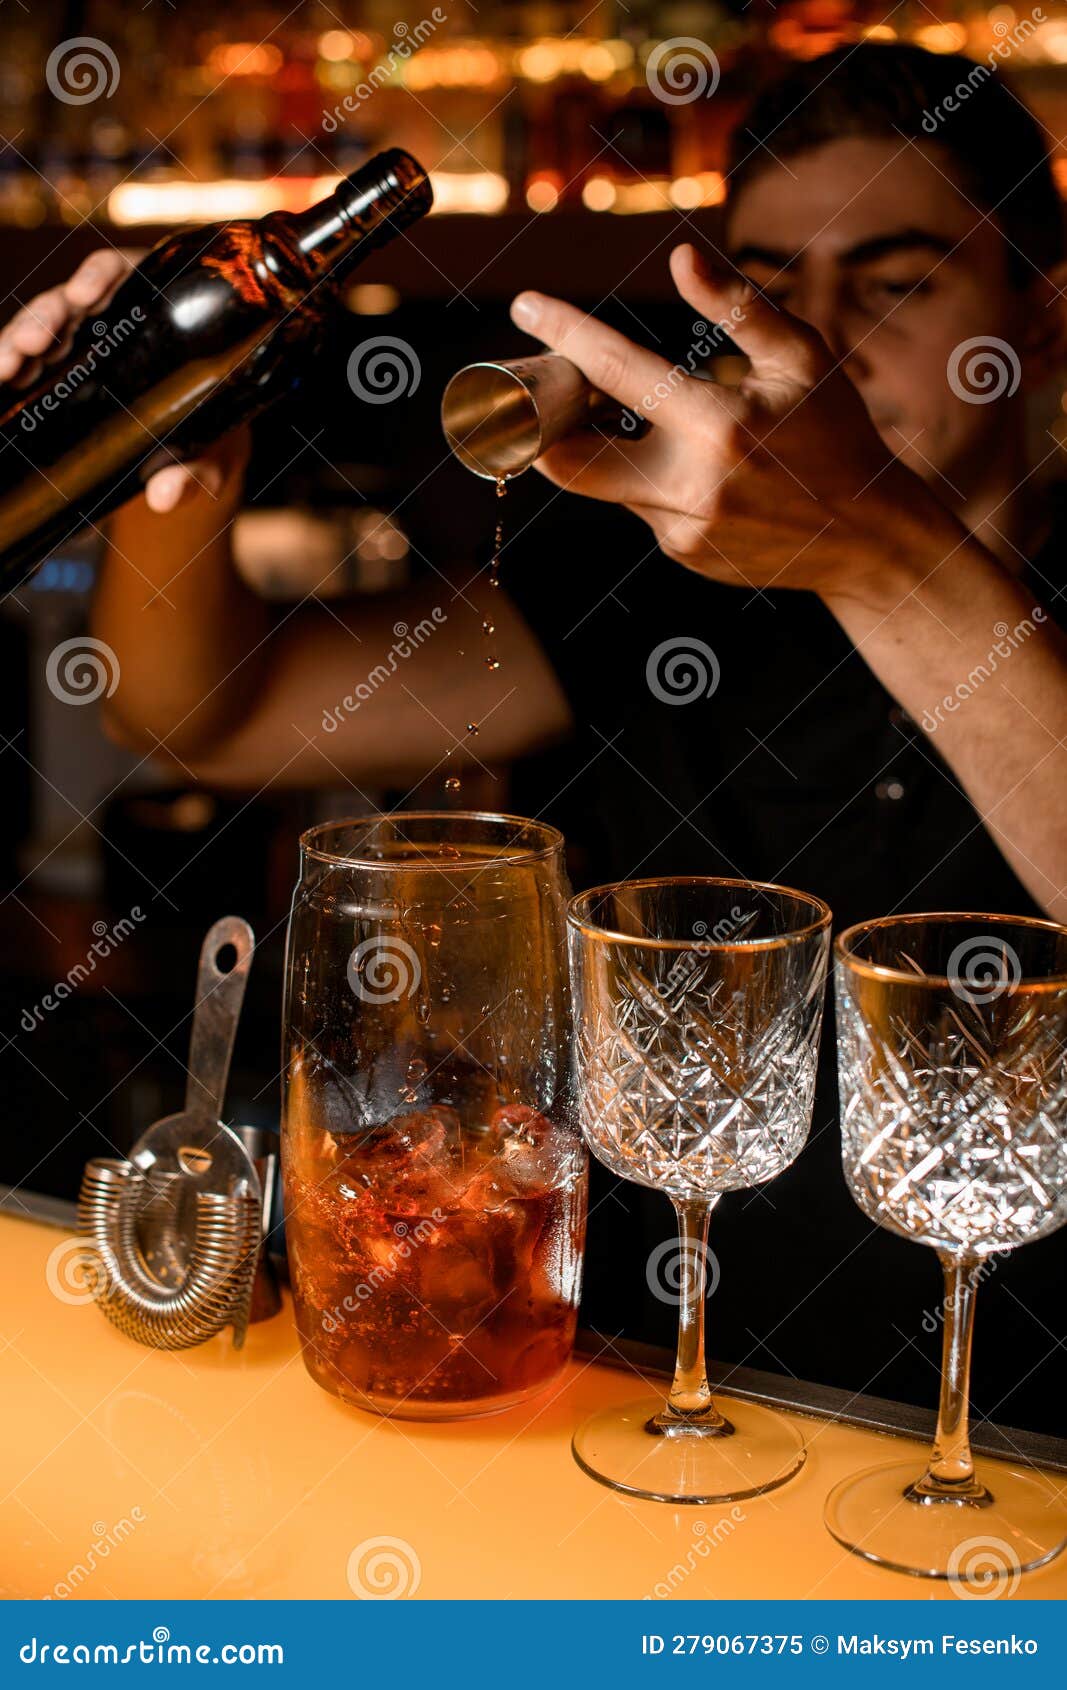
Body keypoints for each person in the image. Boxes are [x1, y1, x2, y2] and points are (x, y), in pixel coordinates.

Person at [3, 43, 1065, 1431]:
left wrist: (882, 556)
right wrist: (181, 439)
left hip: (1009, 1453)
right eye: (763, 290)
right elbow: (207, 710)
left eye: (894, 283)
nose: (809, 341)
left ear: (1040, 322)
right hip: (610, 1418)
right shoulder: (660, 583)